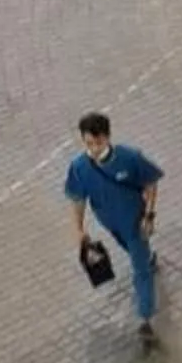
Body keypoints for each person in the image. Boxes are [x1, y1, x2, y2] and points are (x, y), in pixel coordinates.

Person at [65, 111, 163, 345]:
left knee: (140, 270)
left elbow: (150, 183)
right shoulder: (79, 167)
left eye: (98, 142)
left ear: (108, 138)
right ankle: (149, 258)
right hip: (110, 223)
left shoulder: (130, 158)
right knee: (132, 252)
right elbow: (77, 199)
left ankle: (145, 318)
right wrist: (78, 228)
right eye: (89, 143)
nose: (95, 149)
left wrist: (148, 216)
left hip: (134, 222)